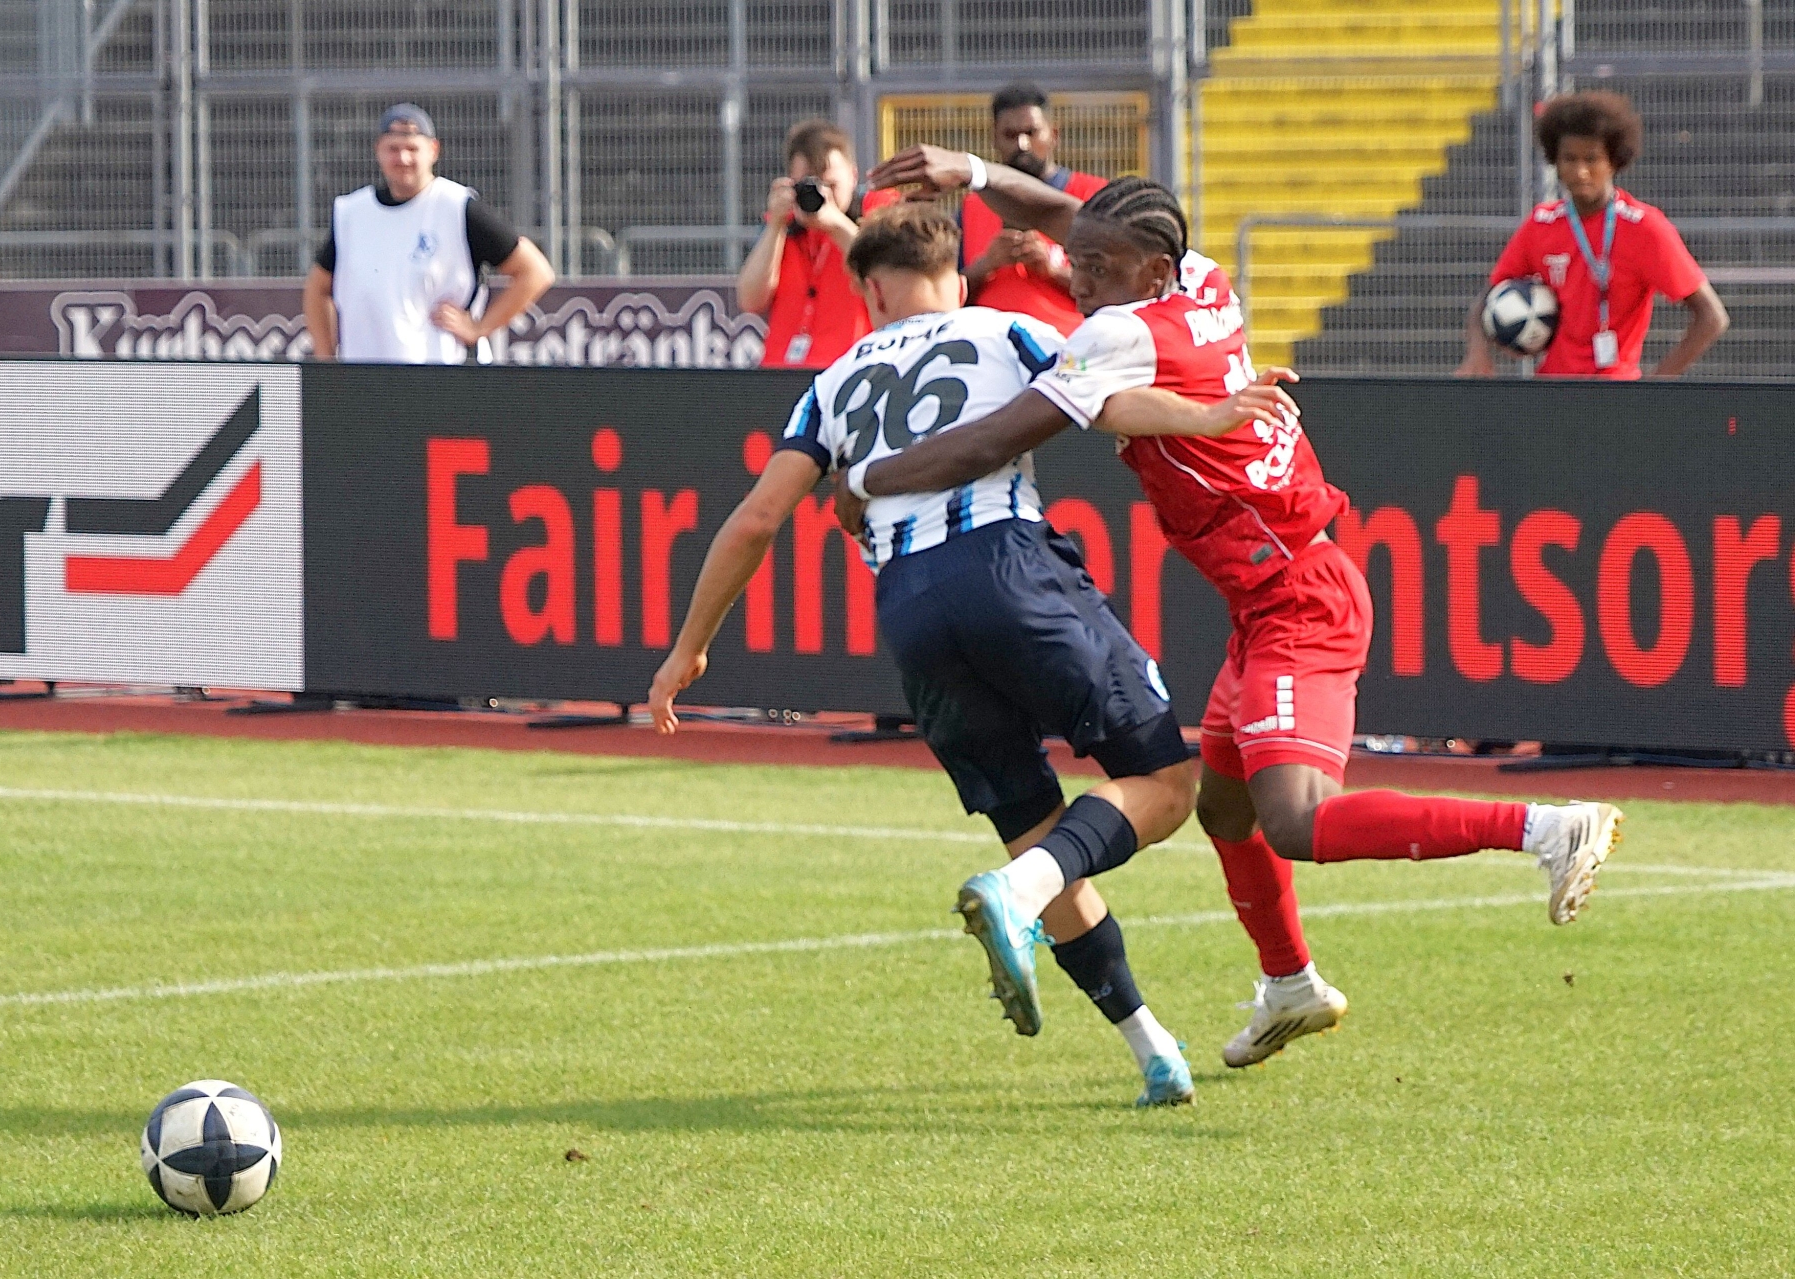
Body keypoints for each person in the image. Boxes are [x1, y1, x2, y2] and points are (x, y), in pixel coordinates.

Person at [852, 147, 1627, 1068]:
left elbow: (990, 442)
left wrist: (867, 476)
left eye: (1096, 268)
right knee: (1224, 808)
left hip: (1299, 597)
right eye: (1078, 261)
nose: (1076, 277)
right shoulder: (1200, 278)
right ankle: (1290, 982)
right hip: (1270, 599)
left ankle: (1545, 827)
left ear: (1151, 272)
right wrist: (977, 175)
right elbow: (1075, 221)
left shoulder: (1120, 334)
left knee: (1294, 817)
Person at [650, 201, 1204, 1107]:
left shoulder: (830, 383)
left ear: (869, 291)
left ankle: (1153, 1050)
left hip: (908, 608)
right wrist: (1214, 414)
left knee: (1036, 834)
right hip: (1009, 566)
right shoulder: (1007, 328)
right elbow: (1110, 403)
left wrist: (689, 648)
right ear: (957, 273)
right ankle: (1019, 898)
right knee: (1165, 782)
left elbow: (756, 519)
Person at [1456, 91, 1727, 379]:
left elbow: (1712, 317)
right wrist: (1478, 354)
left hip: (1615, 394)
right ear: (1555, 161)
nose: (1580, 171)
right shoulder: (1541, 224)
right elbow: (1486, 300)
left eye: (1592, 159)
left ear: (1613, 161)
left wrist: (1656, 385)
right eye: (1569, 159)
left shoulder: (1645, 227)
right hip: (1551, 390)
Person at [303, 103, 556, 364]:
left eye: (412, 149)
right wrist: (327, 362)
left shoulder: (457, 207)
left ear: (433, 150)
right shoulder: (352, 213)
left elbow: (535, 272)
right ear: (378, 150)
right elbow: (317, 288)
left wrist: (479, 328)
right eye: (393, 149)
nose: (403, 159)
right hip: (365, 377)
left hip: (444, 374)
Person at [738, 120, 899, 369]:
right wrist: (776, 226)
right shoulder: (786, 226)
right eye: (810, 185)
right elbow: (750, 300)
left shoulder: (876, 213)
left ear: (853, 175)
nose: (822, 194)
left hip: (851, 369)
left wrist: (835, 224)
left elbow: (890, 279)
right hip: (782, 372)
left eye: (831, 185)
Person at [961, 83, 1108, 336]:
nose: (1022, 144)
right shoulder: (973, 206)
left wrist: (1053, 270)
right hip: (989, 344)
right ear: (994, 139)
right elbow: (946, 292)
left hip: (1071, 342)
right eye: (1010, 135)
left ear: (1053, 134)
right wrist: (988, 264)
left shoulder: (1094, 196)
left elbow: (1120, 289)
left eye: (1031, 132)